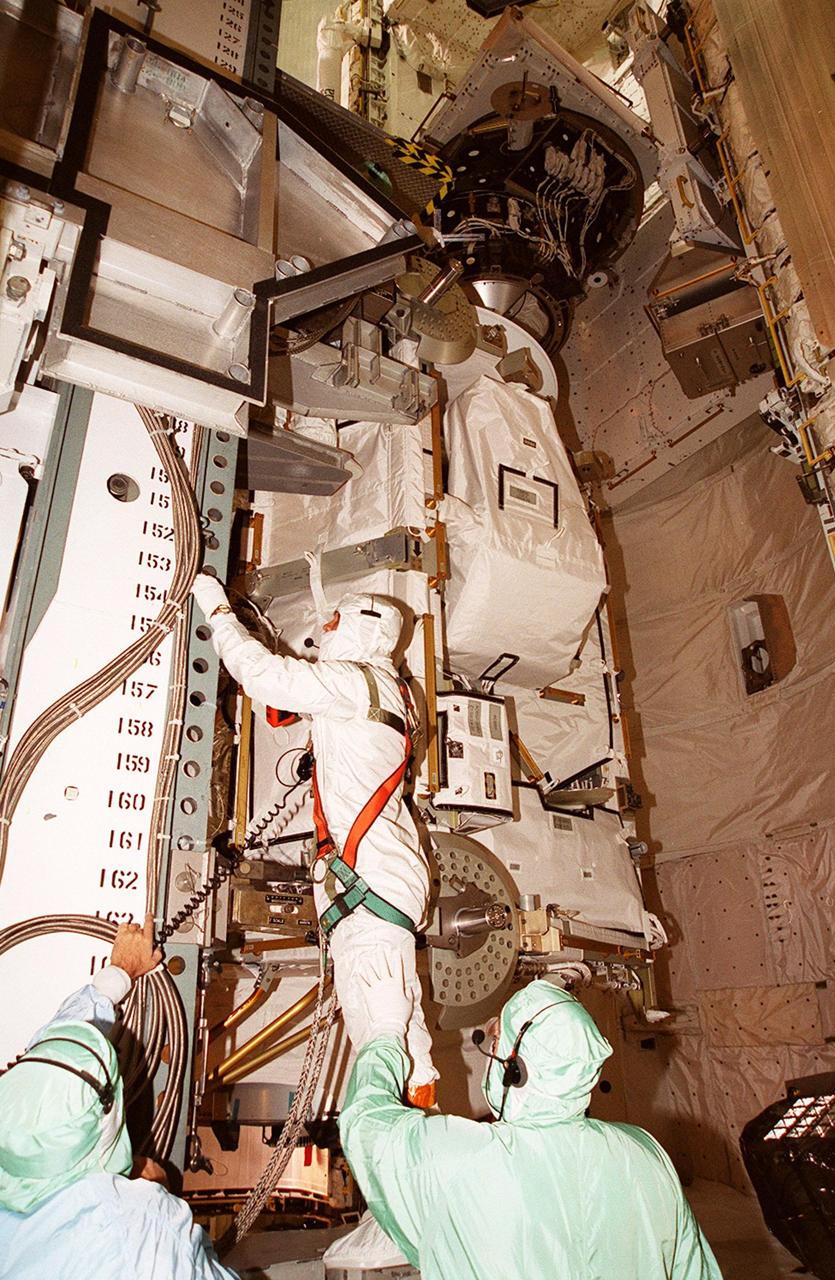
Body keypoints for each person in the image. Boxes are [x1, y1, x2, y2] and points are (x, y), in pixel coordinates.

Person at [190, 572, 438, 1106]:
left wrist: (214, 605)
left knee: (379, 1035)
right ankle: (423, 1104)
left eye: (334, 622)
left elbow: (259, 673)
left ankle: (397, 1149)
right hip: (383, 880)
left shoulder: (352, 683)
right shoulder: (391, 690)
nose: (324, 630)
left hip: (371, 886)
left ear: (358, 629)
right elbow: (305, 715)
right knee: (401, 1024)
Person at [339, 956, 724, 1280]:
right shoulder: (644, 1154)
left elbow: (366, 1126)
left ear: (515, 1071)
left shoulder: (463, 1161)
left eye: (496, 1045)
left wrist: (384, 1033)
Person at [0, 915, 238, 1280]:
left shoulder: (20, 1140)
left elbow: (53, 1064)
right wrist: (152, 1195)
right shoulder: (139, 1231)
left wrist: (118, 975)